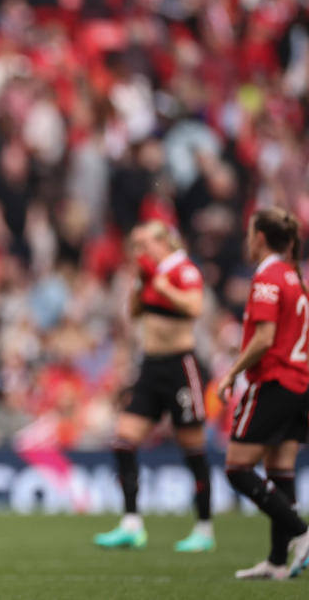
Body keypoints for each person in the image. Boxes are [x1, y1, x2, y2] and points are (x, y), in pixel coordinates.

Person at [217, 208, 309, 580]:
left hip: (274, 381)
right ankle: (278, 561)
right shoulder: (295, 276)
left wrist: (231, 372)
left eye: (250, 233)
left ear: (260, 237)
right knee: (280, 471)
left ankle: (301, 531)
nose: (248, 240)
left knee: (237, 467)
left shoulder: (267, 277)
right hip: (299, 384)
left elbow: (264, 339)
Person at [95, 221, 215, 552]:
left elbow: (194, 307)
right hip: (151, 366)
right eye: (135, 245)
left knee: (192, 449)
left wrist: (160, 286)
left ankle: (204, 529)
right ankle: (132, 523)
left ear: (165, 242)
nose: (139, 251)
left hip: (180, 365)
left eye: (144, 244)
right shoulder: (148, 273)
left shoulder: (182, 269)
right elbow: (134, 314)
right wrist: (139, 284)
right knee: (123, 441)